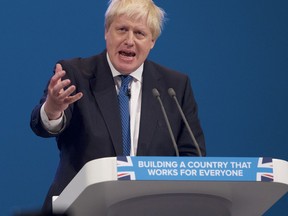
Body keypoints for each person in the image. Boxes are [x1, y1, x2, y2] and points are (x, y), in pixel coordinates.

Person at [30, 0, 206, 213]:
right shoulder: (76, 74)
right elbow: (44, 126)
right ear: (106, 32)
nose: (129, 41)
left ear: (152, 41)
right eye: (122, 29)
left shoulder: (174, 87)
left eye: (139, 33)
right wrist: (53, 107)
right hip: (79, 208)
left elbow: (192, 158)